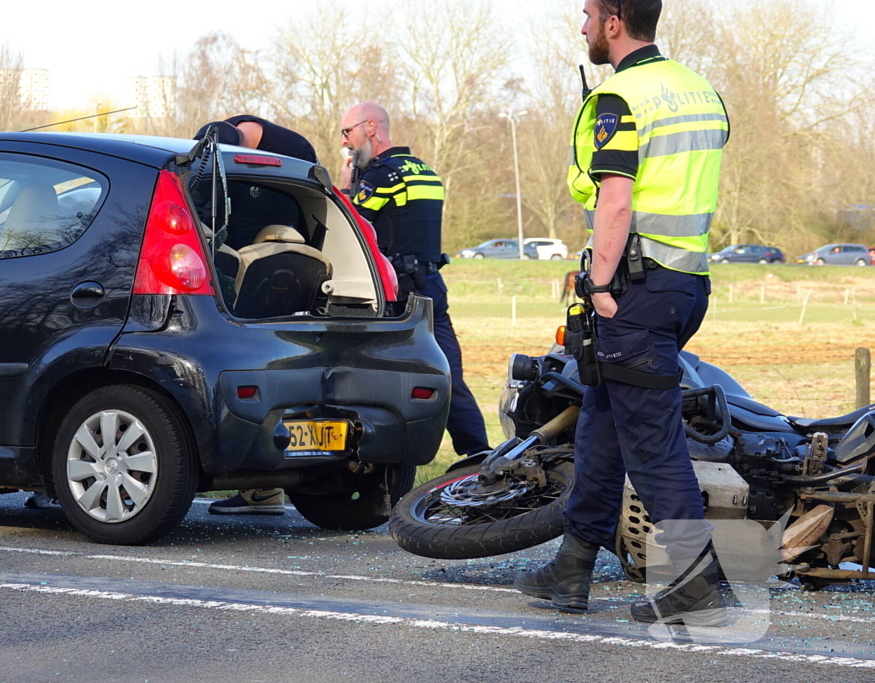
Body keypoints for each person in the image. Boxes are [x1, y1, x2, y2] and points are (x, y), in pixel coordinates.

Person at [513, 0, 730, 626]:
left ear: (613, 21)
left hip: (634, 289)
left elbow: (615, 200)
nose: (581, 27)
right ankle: (573, 565)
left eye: (586, 15)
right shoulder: (700, 90)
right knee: (602, 419)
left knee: (648, 435)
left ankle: (696, 580)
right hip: (685, 283)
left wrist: (601, 283)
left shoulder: (620, 99)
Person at [339, 101, 491, 458]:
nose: (345, 142)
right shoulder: (424, 170)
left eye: (348, 132)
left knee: (372, 377)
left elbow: (352, 229)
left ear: (371, 128)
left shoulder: (381, 176)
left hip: (396, 295)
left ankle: (378, 458)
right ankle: (478, 453)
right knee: (447, 374)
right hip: (431, 286)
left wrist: (347, 187)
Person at [203, 116, 317, 517]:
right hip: (284, 291)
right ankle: (264, 491)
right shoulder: (292, 158)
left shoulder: (287, 153)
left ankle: (261, 489)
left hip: (247, 290)